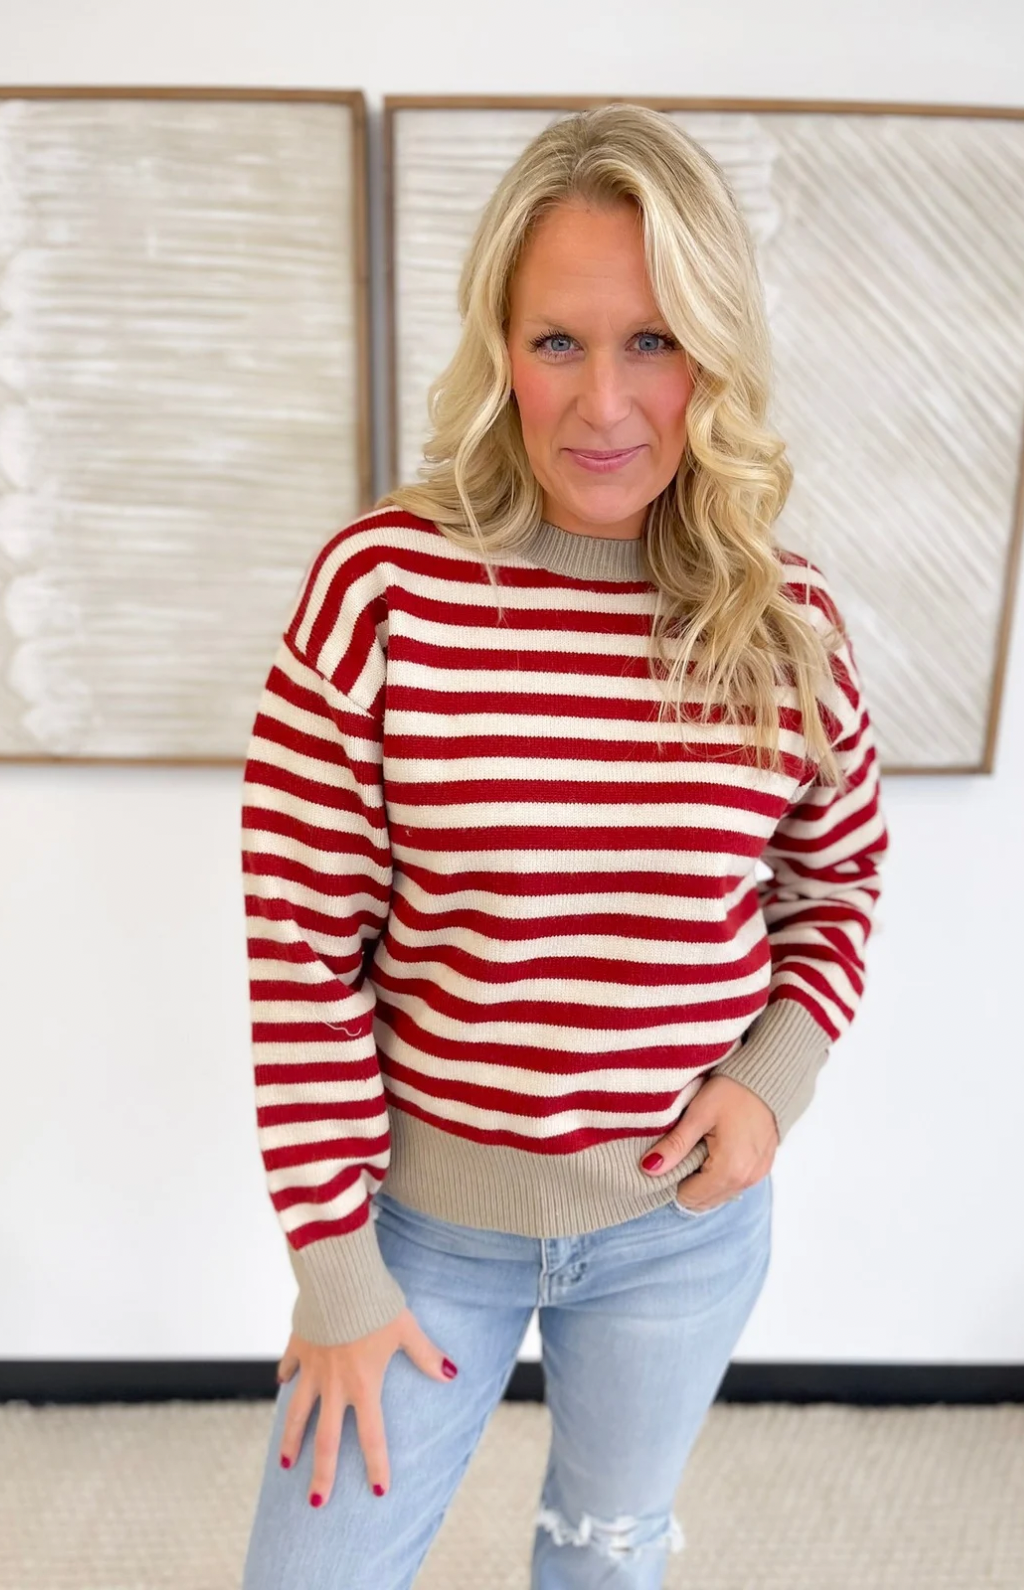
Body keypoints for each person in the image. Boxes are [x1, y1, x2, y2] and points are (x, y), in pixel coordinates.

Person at [238, 102, 888, 1589]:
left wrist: (771, 1081)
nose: (605, 401)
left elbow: (838, 874)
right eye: (558, 341)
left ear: (714, 355)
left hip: (681, 1225)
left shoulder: (782, 622)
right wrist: (333, 1266)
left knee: (605, 1554)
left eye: (654, 340)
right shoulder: (383, 592)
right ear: (500, 347)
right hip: (419, 1232)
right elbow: (302, 945)